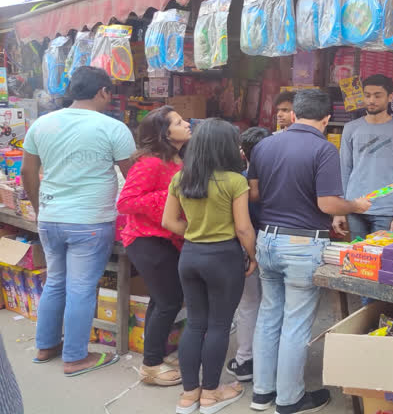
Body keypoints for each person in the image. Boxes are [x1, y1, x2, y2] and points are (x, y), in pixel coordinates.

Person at [247, 89, 371, 414]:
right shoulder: (324, 149)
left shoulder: (265, 144)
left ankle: (262, 393)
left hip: (267, 240)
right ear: (328, 119)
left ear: (293, 114)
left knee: (269, 314)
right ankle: (289, 400)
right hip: (302, 244)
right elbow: (328, 204)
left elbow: (254, 193)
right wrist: (355, 205)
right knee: (296, 322)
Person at [21, 66, 135, 376]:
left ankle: (46, 347)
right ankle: (75, 357)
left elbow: (27, 173)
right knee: (82, 288)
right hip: (90, 220)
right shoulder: (112, 128)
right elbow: (132, 177)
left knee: (56, 281)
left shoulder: (41, 124)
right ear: (103, 92)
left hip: (51, 217)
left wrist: (39, 207)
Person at [162, 119, 257, 414]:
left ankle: (189, 396)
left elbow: (169, 221)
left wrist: (194, 233)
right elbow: (243, 228)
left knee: (195, 323)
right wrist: (252, 256)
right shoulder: (235, 181)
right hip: (223, 257)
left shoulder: (181, 178)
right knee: (218, 326)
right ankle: (212, 394)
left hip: (190, 257)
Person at [117, 106, 191, 386]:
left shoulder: (177, 159)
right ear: (164, 133)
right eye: (180, 122)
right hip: (147, 239)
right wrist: (170, 196)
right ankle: (150, 365)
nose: (187, 124)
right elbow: (126, 202)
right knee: (169, 301)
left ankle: (154, 356)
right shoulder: (151, 163)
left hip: (167, 237)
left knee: (163, 300)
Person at [333, 74, 393, 239]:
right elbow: (343, 170)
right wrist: (340, 209)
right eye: (367, 95)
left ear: (390, 97)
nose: (371, 100)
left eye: (378, 96)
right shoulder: (350, 128)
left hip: (387, 210)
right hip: (354, 207)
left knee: (380, 258)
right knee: (357, 259)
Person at [226, 126, 271, 382]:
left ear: (244, 153)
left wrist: (250, 253)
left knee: (249, 304)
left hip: (247, 247)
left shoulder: (239, 180)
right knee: (273, 305)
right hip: (276, 244)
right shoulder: (281, 177)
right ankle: (270, 358)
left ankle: (245, 359)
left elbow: (241, 225)